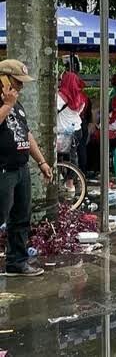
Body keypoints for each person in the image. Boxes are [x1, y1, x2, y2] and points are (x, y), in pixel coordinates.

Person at [0, 59, 52, 277]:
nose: (20, 87)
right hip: (3, 169)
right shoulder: (8, 101)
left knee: (21, 217)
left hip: (21, 168)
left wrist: (41, 161)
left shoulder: (16, 103)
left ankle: (17, 262)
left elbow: (25, 133)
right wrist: (7, 105)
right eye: (16, 82)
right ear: (3, 78)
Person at [57, 71, 87, 193]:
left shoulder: (60, 97)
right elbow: (78, 112)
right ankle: (70, 182)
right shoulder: (81, 97)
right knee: (72, 157)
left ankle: (65, 181)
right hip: (77, 130)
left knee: (59, 157)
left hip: (63, 133)